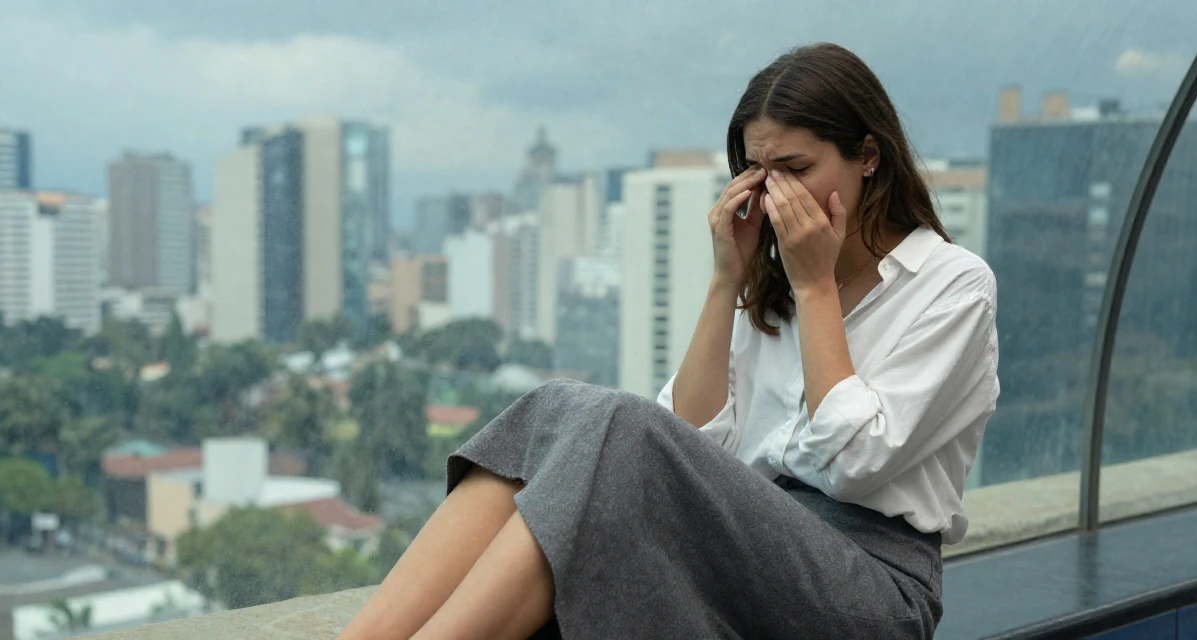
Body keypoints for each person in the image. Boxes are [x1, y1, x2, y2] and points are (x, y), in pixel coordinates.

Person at [339, 42, 999, 640]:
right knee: (557, 406)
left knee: (617, 422)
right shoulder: (772, 285)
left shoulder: (954, 286)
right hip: (742, 549)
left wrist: (816, 289)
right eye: (757, 171)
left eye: (796, 167)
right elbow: (684, 441)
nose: (774, 195)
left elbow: (857, 465)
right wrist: (727, 281)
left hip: (868, 590)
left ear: (869, 157)